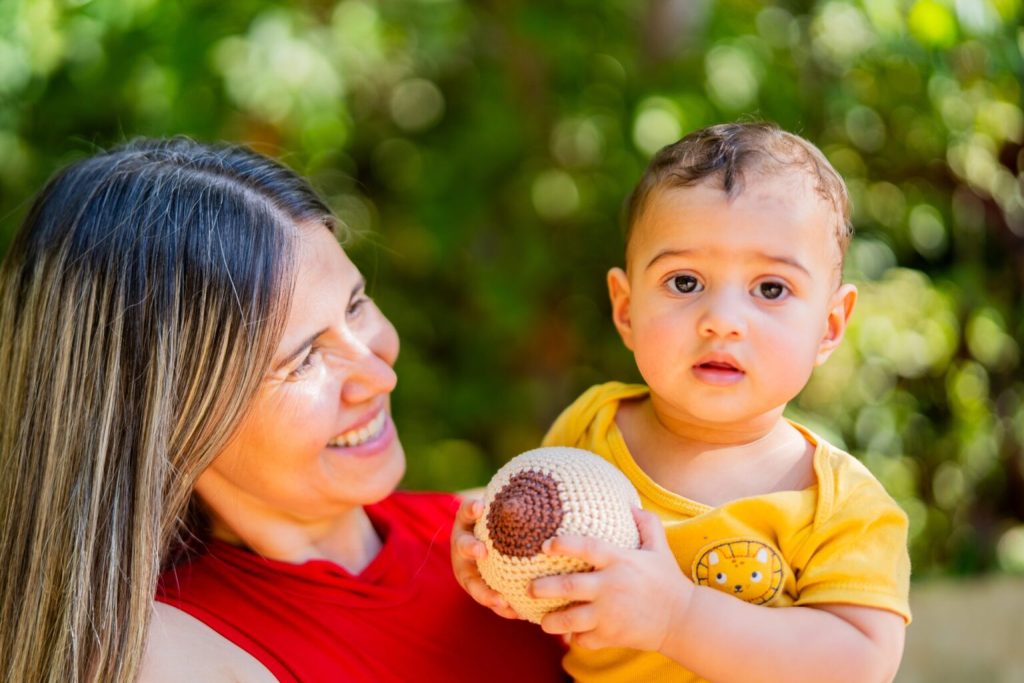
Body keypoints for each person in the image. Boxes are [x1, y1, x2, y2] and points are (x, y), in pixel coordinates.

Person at [0, 138, 566, 682]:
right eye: (304, 359)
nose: (380, 375)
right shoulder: (173, 658)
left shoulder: (494, 534)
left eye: (357, 304)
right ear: (174, 418)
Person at [454, 122, 911, 682]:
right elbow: (541, 549)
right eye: (685, 282)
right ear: (626, 309)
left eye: (770, 288)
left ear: (830, 325)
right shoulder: (594, 427)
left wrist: (679, 617)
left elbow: (860, 664)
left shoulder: (840, 508)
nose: (722, 320)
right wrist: (485, 546)